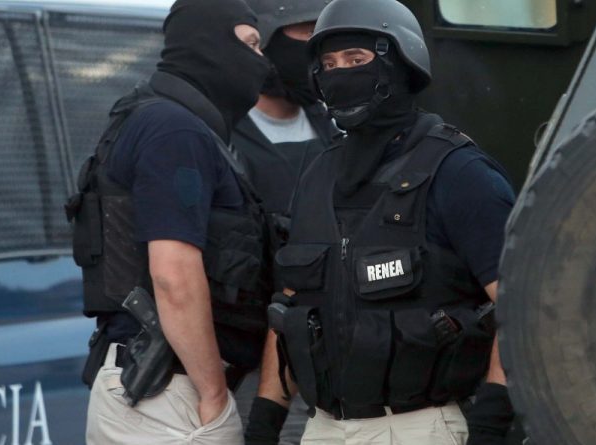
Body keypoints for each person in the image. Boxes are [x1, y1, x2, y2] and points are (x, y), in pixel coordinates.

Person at [257, 0, 517, 444]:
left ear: (400, 62)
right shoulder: (318, 175)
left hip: (421, 425)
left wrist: (490, 426)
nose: (340, 73)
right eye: (329, 64)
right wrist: (263, 426)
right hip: (323, 429)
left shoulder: (459, 172)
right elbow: (289, 310)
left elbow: (519, 309)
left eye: (356, 59)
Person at [64, 1, 273, 443]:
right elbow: (173, 275)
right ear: (209, 45)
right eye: (251, 44)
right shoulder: (174, 130)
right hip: (168, 393)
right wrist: (213, 393)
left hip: (161, 389)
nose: (262, 61)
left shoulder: (158, 118)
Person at [229, 1, 338, 444]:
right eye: (304, 32)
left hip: (328, 360)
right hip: (248, 364)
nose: (316, 46)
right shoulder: (222, 134)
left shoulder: (335, 128)